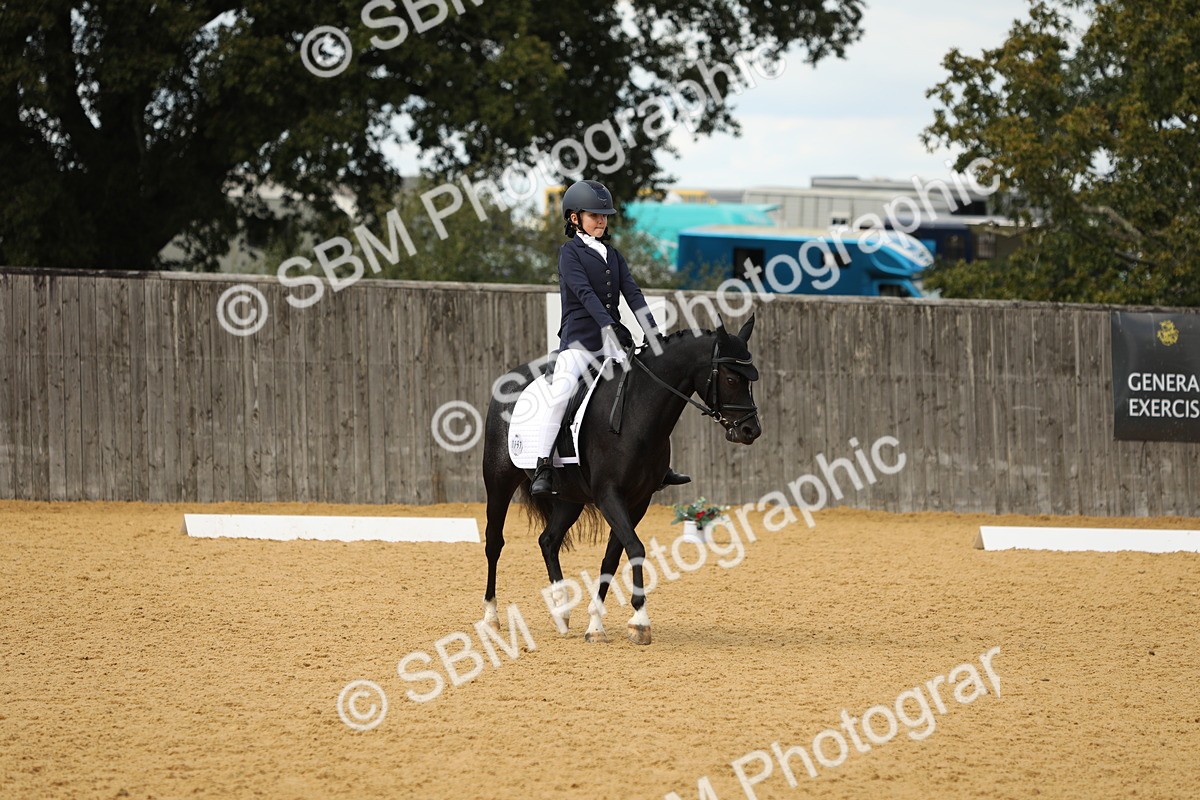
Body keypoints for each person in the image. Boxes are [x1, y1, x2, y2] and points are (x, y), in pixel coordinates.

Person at [530, 179, 691, 496]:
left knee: (645, 393)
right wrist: (610, 324)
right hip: (578, 342)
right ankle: (543, 467)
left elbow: (633, 293)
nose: (601, 221)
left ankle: (656, 466)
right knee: (561, 391)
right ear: (575, 218)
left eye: (604, 216)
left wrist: (652, 331)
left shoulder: (613, 255)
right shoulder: (569, 254)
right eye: (594, 215)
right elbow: (586, 294)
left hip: (612, 344)